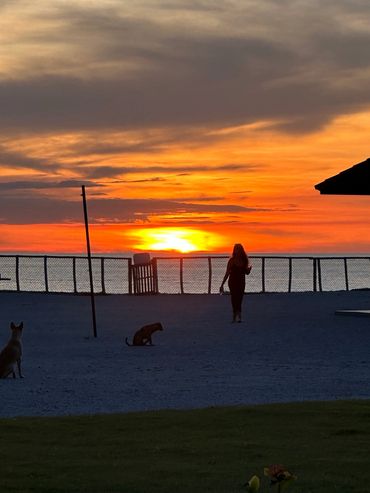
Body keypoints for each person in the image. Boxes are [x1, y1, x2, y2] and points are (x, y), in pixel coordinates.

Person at [220, 243, 252, 323]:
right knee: (234, 298)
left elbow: (246, 272)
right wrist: (222, 284)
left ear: (241, 250)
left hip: (241, 282)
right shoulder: (231, 261)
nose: (237, 250)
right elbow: (227, 273)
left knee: (240, 298)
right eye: (236, 249)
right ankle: (235, 315)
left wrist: (249, 270)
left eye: (239, 249)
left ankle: (239, 315)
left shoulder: (244, 260)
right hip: (232, 282)